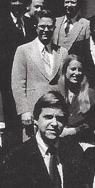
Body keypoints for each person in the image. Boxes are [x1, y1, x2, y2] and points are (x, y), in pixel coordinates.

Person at [11, 10, 67, 140]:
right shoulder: (23, 50)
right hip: (33, 115)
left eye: (49, 27)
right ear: (36, 27)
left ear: (54, 28)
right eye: (42, 26)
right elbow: (18, 84)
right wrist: (24, 111)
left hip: (55, 114)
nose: (46, 30)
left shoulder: (62, 52)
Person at [0, 0, 35, 149]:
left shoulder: (30, 24)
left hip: (29, 81)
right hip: (9, 81)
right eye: (14, 0)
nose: (17, 4)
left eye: (20, 0)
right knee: (12, 123)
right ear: (8, 3)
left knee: (28, 121)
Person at [58, 53, 95, 144]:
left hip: (84, 142)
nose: (77, 73)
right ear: (65, 70)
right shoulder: (57, 93)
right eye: (73, 69)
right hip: (61, 142)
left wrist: (74, 131)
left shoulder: (91, 94)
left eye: (80, 70)